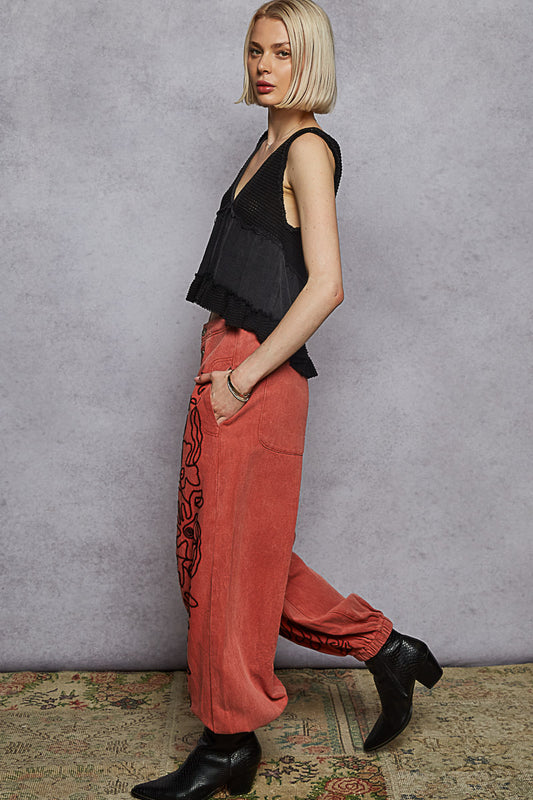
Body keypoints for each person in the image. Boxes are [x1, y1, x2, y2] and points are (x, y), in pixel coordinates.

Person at [131, 2, 442, 798]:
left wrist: (241, 378)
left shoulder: (305, 148)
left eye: (283, 53)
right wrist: (221, 365)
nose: (265, 66)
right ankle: (387, 649)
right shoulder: (265, 142)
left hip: (255, 375)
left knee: (226, 560)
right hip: (227, 358)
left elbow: (327, 284)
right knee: (231, 551)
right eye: (255, 50)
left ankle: (227, 742)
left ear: (311, 63)